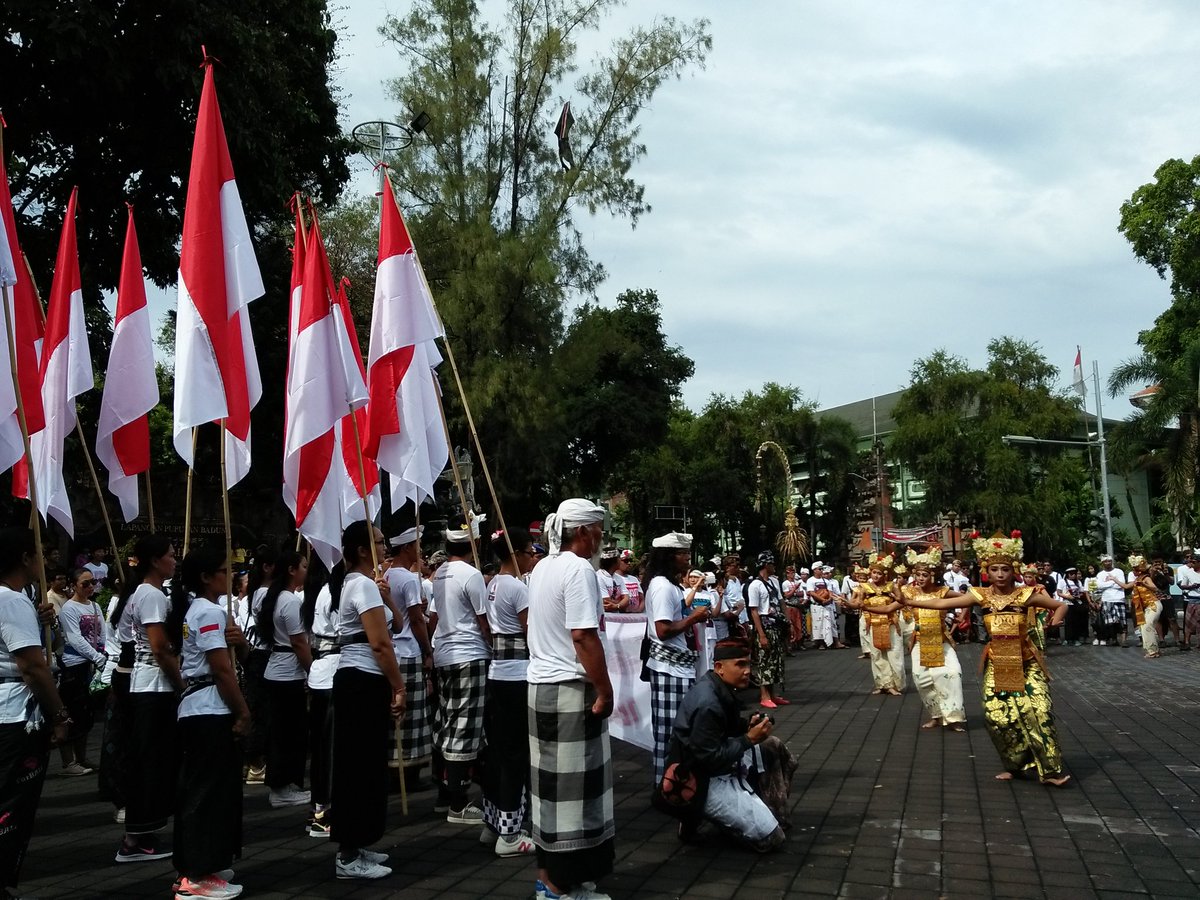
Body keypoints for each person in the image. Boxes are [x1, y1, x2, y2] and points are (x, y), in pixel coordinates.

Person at [902, 531, 1070, 786]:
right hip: (998, 662)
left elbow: (1059, 605)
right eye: (994, 569)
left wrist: (1056, 621)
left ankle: (1050, 771)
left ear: (1013, 570)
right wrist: (906, 599)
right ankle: (1015, 766)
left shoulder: (1025, 595)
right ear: (986, 571)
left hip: (1027, 662)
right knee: (997, 716)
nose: (1000, 574)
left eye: (1004, 569)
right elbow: (942, 604)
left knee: (1040, 711)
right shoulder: (981, 595)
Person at [526, 499, 615, 900]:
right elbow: (582, 635)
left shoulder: (541, 566)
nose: (602, 537)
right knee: (573, 795)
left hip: (540, 688)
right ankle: (561, 887)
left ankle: (549, 878)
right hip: (569, 690)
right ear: (583, 532)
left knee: (548, 790)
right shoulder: (580, 569)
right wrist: (605, 688)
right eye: (598, 529)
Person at [170, 545, 251, 900]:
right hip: (207, 710)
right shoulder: (208, 611)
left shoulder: (207, 611)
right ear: (205, 577)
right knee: (206, 794)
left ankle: (204, 863)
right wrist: (243, 711)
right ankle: (195, 876)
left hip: (201, 709)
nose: (229, 575)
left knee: (212, 792)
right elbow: (221, 669)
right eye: (222, 569)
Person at [329, 522, 406, 880]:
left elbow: (397, 626)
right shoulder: (360, 584)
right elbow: (380, 644)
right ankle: (347, 853)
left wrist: (388, 597)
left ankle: (357, 842)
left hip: (360, 680)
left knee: (367, 764)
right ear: (362, 550)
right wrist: (399, 687)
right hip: (361, 679)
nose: (384, 544)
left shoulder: (363, 585)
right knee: (357, 766)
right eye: (378, 540)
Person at [666, 639, 788, 852]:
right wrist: (748, 739)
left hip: (716, 766)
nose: (748, 671)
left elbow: (724, 728)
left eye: (749, 664)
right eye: (740, 665)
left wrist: (746, 725)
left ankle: (763, 810)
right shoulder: (709, 703)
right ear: (719, 668)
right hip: (701, 780)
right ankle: (697, 813)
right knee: (772, 838)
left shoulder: (718, 686)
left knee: (771, 745)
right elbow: (710, 758)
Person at [0, 528, 70, 900]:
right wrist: (59, 713)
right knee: (11, 805)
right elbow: (32, 667)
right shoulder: (10, 601)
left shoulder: (18, 601)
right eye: (40, 553)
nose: (46, 560)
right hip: (13, 714)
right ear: (26, 558)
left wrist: (40, 620)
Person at [120, 536, 182, 862]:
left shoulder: (145, 593)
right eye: (171, 556)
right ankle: (136, 838)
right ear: (156, 561)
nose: (175, 560)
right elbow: (159, 647)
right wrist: (180, 682)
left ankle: (142, 832)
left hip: (148, 684)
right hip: (153, 686)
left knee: (150, 759)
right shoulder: (152, 595)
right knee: (149, 762)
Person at [431, 516, 491, 824]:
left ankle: (446, 795)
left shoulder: (439, 572)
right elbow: (484, 623)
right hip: (469, 655)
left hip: (444, 654)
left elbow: (434, 617)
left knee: (449, 723)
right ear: (475, 543)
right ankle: (458, 804)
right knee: (464, 729)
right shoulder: (472, 574)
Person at [481, 528, 536, 857]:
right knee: (516, 753)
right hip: (517, 675)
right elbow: (532, 632)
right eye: (529, 551)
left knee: (499, 750)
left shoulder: (494, 584)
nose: (533, 556)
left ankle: (494, 824)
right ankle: (510, 835)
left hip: (498, 673)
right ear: (515, 553)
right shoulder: (516, 587)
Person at [643, 533, 710, 786]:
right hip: (669, 668)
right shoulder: (662, 587)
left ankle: (672, 781)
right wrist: (693, 618)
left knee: (679, 729)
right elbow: (663, 630)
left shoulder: (669, 586)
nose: (688, 558)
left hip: (678, 667)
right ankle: (666, 785)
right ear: (669, 557)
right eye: (683, 554)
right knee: (670, 732)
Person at [258, 550, 312, 808]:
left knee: (285, 731)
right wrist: (312, 671)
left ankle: (287, 783)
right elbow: (299, 642)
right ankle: (281, 787)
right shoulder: (289, 601)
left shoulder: (276, 597)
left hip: (278, 670)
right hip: (287, 673)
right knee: (287, 732)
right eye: (303, 565)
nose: (306, 570)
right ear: (291, 570)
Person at [384, 526, 433, 788]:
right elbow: (415, 619)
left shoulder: (386, 575)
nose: (420, 550)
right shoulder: (407, 579)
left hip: (393, 652)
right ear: (407, 548)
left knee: (395, 714)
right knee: (411, 715)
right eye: (417, 545)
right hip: (408, 651)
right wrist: (427, 650)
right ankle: (407, 774)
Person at [900, 547, 966, 731]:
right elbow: (891, 605)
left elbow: (967, 598)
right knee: (921, 679)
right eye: (919, 574)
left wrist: (962, 614)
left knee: (952, 673)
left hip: (941, 640)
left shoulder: (942, 592)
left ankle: (954, 718)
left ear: (933, 575)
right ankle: (936, 716)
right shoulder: (909, 592)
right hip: (920, 640)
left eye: (925, 575)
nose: (921, 578)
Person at [56, 568, 107, 775]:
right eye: (84, 583)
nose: (89, 587)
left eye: (92, 582)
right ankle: (68, 762)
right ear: (74, 585)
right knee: (72, 711)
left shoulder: (95, 606)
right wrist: (95, 656)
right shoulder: (69, 608)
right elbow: (75, 638)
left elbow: (102, 632)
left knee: (86, 713)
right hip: (74, 663)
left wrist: (103, 652)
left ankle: (82, 757)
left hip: (92, 664)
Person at [300, 556, 336, 838]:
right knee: (331, 750)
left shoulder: (312, 594)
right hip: (333, 673)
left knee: (323, 749)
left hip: (321, 674)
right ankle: (324, 813)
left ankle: (318, 808)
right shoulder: (331, 593)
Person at [236, 545, 276, 785]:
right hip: (263, 655)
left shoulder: (259, 593)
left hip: (260, 656)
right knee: (260, 710)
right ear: (267, 567)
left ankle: (254, 760)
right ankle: (255, 763)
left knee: (261, 709)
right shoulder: (264, 593)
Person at [844, 552, 903, 696]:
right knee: (876, 654)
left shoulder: (892, 586)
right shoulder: (865, 587)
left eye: (879, 573)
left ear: (885, 574)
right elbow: (858, 603)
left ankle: (894, 684)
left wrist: (896, 597)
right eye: (874, 573)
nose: (875, 576)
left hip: (890, 623)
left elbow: (902, 601)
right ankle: (882, 684)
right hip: (873, 624)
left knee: (894, 654)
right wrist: (847, 603)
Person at [746, 552, 789, 709]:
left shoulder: (774, 582)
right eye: (772, 563)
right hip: (765, 626)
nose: (774, 566)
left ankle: (773, 694)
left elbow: (781, 602)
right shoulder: (754, 585)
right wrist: (761, 634)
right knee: (765, 661)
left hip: (777, 624)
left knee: (776, 660)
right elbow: (754, 611)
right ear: (765, 565)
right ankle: (764, 695)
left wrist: (788, 621)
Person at [1122, 556, 1161, 659]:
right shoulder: (1136, 580)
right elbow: (1126, 587)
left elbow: (1155, 588)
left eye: (1136, 569)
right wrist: (1114, 579)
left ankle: (1152, 651)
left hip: (1154, 604)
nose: (1134, 571)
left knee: (1147, 625)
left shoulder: (1146, 578)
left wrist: (1144, 584)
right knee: (1144, 626)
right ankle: (1153, 650)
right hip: (1148, 606)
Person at [806, 563, 845, 650]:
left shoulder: (826, 581)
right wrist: (822, 599)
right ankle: (821, 643)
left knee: (832, 623)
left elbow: (830, 592)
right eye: (819, 569)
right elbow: (811, 592)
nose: (821, 571)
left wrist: (829, 599)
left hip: (828, 605)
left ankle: (835, 642)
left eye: (821, 569)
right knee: (818, 624)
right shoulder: (810, 580)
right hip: (817, 606)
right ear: (814, 570)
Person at [1095, 554, 1128, 647]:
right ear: (1102, 563)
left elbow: (1121, 584)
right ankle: (1114, 639)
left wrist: (1109, 582)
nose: (1108, 563)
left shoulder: (1119, 571)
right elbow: (1099, 586)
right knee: (1110, 622)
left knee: (1122, 621)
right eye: (1105, 561)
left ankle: (1124, 640)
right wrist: (1113, 581)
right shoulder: (1100, 574)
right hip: (1107, 599)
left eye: (1109, 561)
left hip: (1119, 599)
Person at [1150, 557, 1181, 647]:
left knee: (1172, 619)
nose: (1157, 564)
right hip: (1155, 598)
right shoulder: (1150, 570)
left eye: (1159, 562)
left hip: (1167, 597)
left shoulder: (1168, 569)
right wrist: (1154, 572)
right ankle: (1161, 640)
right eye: (1155, 562)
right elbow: (1149, 582)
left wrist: (1165, 573)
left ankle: (1177, 640)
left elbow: (1171, 582)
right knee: (1158, 620)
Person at [1059, 567, 1090, 646]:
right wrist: (1067, 596)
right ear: (1067, 574)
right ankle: (1067, 638)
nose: (1073, 575)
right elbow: (1059, 592)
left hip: (1076, 603)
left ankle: (1076, 638)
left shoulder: (1078, 582)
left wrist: (1078, 595)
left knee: (1076, 621)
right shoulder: (1062, 582)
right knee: (1068, 621)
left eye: (1074, 574)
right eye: (1071, 574)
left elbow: (1082, 591)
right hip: (1067, 603)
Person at [1177, 552, 1200, 651]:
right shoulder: (1188, 572)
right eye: (1191, 562)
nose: (1192, 564)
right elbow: (1182, 585)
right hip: (1192, 599)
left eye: (1194, 562)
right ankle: (1187, 642)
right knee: (1188, 622)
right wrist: (1191, 586)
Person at [595, 549, 630, 614]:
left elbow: (627, 599)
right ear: (614, 561)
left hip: (617, 617)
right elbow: (605, 601)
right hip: (604, 617)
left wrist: (617, 606)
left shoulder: (618, 578)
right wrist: (621, 603)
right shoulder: (599, 577)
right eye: (619, 558)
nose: (620, 560)